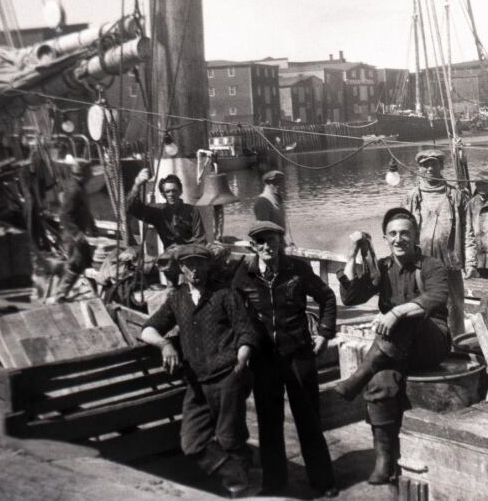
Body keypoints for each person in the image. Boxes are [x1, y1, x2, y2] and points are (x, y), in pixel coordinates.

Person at [335, 208, 451, 485]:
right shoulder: (384, 268)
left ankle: (358, 375)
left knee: (407, 316)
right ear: (386, 238)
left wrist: (397, 313)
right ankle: (385, 460)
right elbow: (351, 297)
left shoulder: (432, 265)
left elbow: (437, 296)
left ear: (415, 236)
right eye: (393, 234)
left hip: (431, 341)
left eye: (405, 233)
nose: (399, 239)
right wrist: (351, 256)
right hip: (393, 351)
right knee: (380, 383)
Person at [141, 244, 257, 497]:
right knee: (192, 443)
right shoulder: (177, 299)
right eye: (189, 265)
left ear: (208, 266)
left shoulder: (225, 294)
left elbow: (246, 331)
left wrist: (240, 362)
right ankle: (237, 477)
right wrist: (164, 345)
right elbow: (148, 329)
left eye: (200, 264)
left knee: (230, 438)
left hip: (228, 377)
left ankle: (241, 489)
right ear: (181, 268)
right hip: (197, 382)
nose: (195, 270)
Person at [231, 221, 338, 497]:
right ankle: (274, 484)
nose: (267, 246)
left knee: (309, 419)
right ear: (253, 245)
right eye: (261, 241)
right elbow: (232, 311)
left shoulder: (298, 269)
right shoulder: (244, 274)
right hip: (264, 358)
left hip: (298, 353)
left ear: (281, 242)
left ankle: (323, 482)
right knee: (269, 421)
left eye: (272, 240)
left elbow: (327, 297)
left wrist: (325, 333)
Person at [403, 148, 468, 336]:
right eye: (425, 165)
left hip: (450, 261)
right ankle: (428, 344)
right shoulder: (412, 197)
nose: (430, 168)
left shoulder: (456, 196)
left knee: (454, 303)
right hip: (421, 261)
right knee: (422, 302)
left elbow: (468, 231)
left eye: (434, 164)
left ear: (441, 166)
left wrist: (469, 261)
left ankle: (457, 342)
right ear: (420, 169)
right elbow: (403, 230)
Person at [127, 168, 206, 285]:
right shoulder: (158, 212)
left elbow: (200, 239)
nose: (171, 194)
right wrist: (137, 184)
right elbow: (132, 208)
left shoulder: (192, 211)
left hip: (191, 259)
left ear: (180, 191)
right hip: (170, 263)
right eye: (168, 191)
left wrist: (186, 256)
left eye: (174, 190)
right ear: (163, 194)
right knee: (173, 293)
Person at [54, 159, 98, 300]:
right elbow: (64, 215)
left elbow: (84, 211)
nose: (92, 174)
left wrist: (93, 227)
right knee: (76, 264)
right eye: (89, 172)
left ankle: (97, 294)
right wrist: (77, 235)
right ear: (82, 173)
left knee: (88, 263)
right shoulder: (74, 190)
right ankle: (60, 295)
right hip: (73, 236)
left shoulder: (80, 187)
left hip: (80, 234)